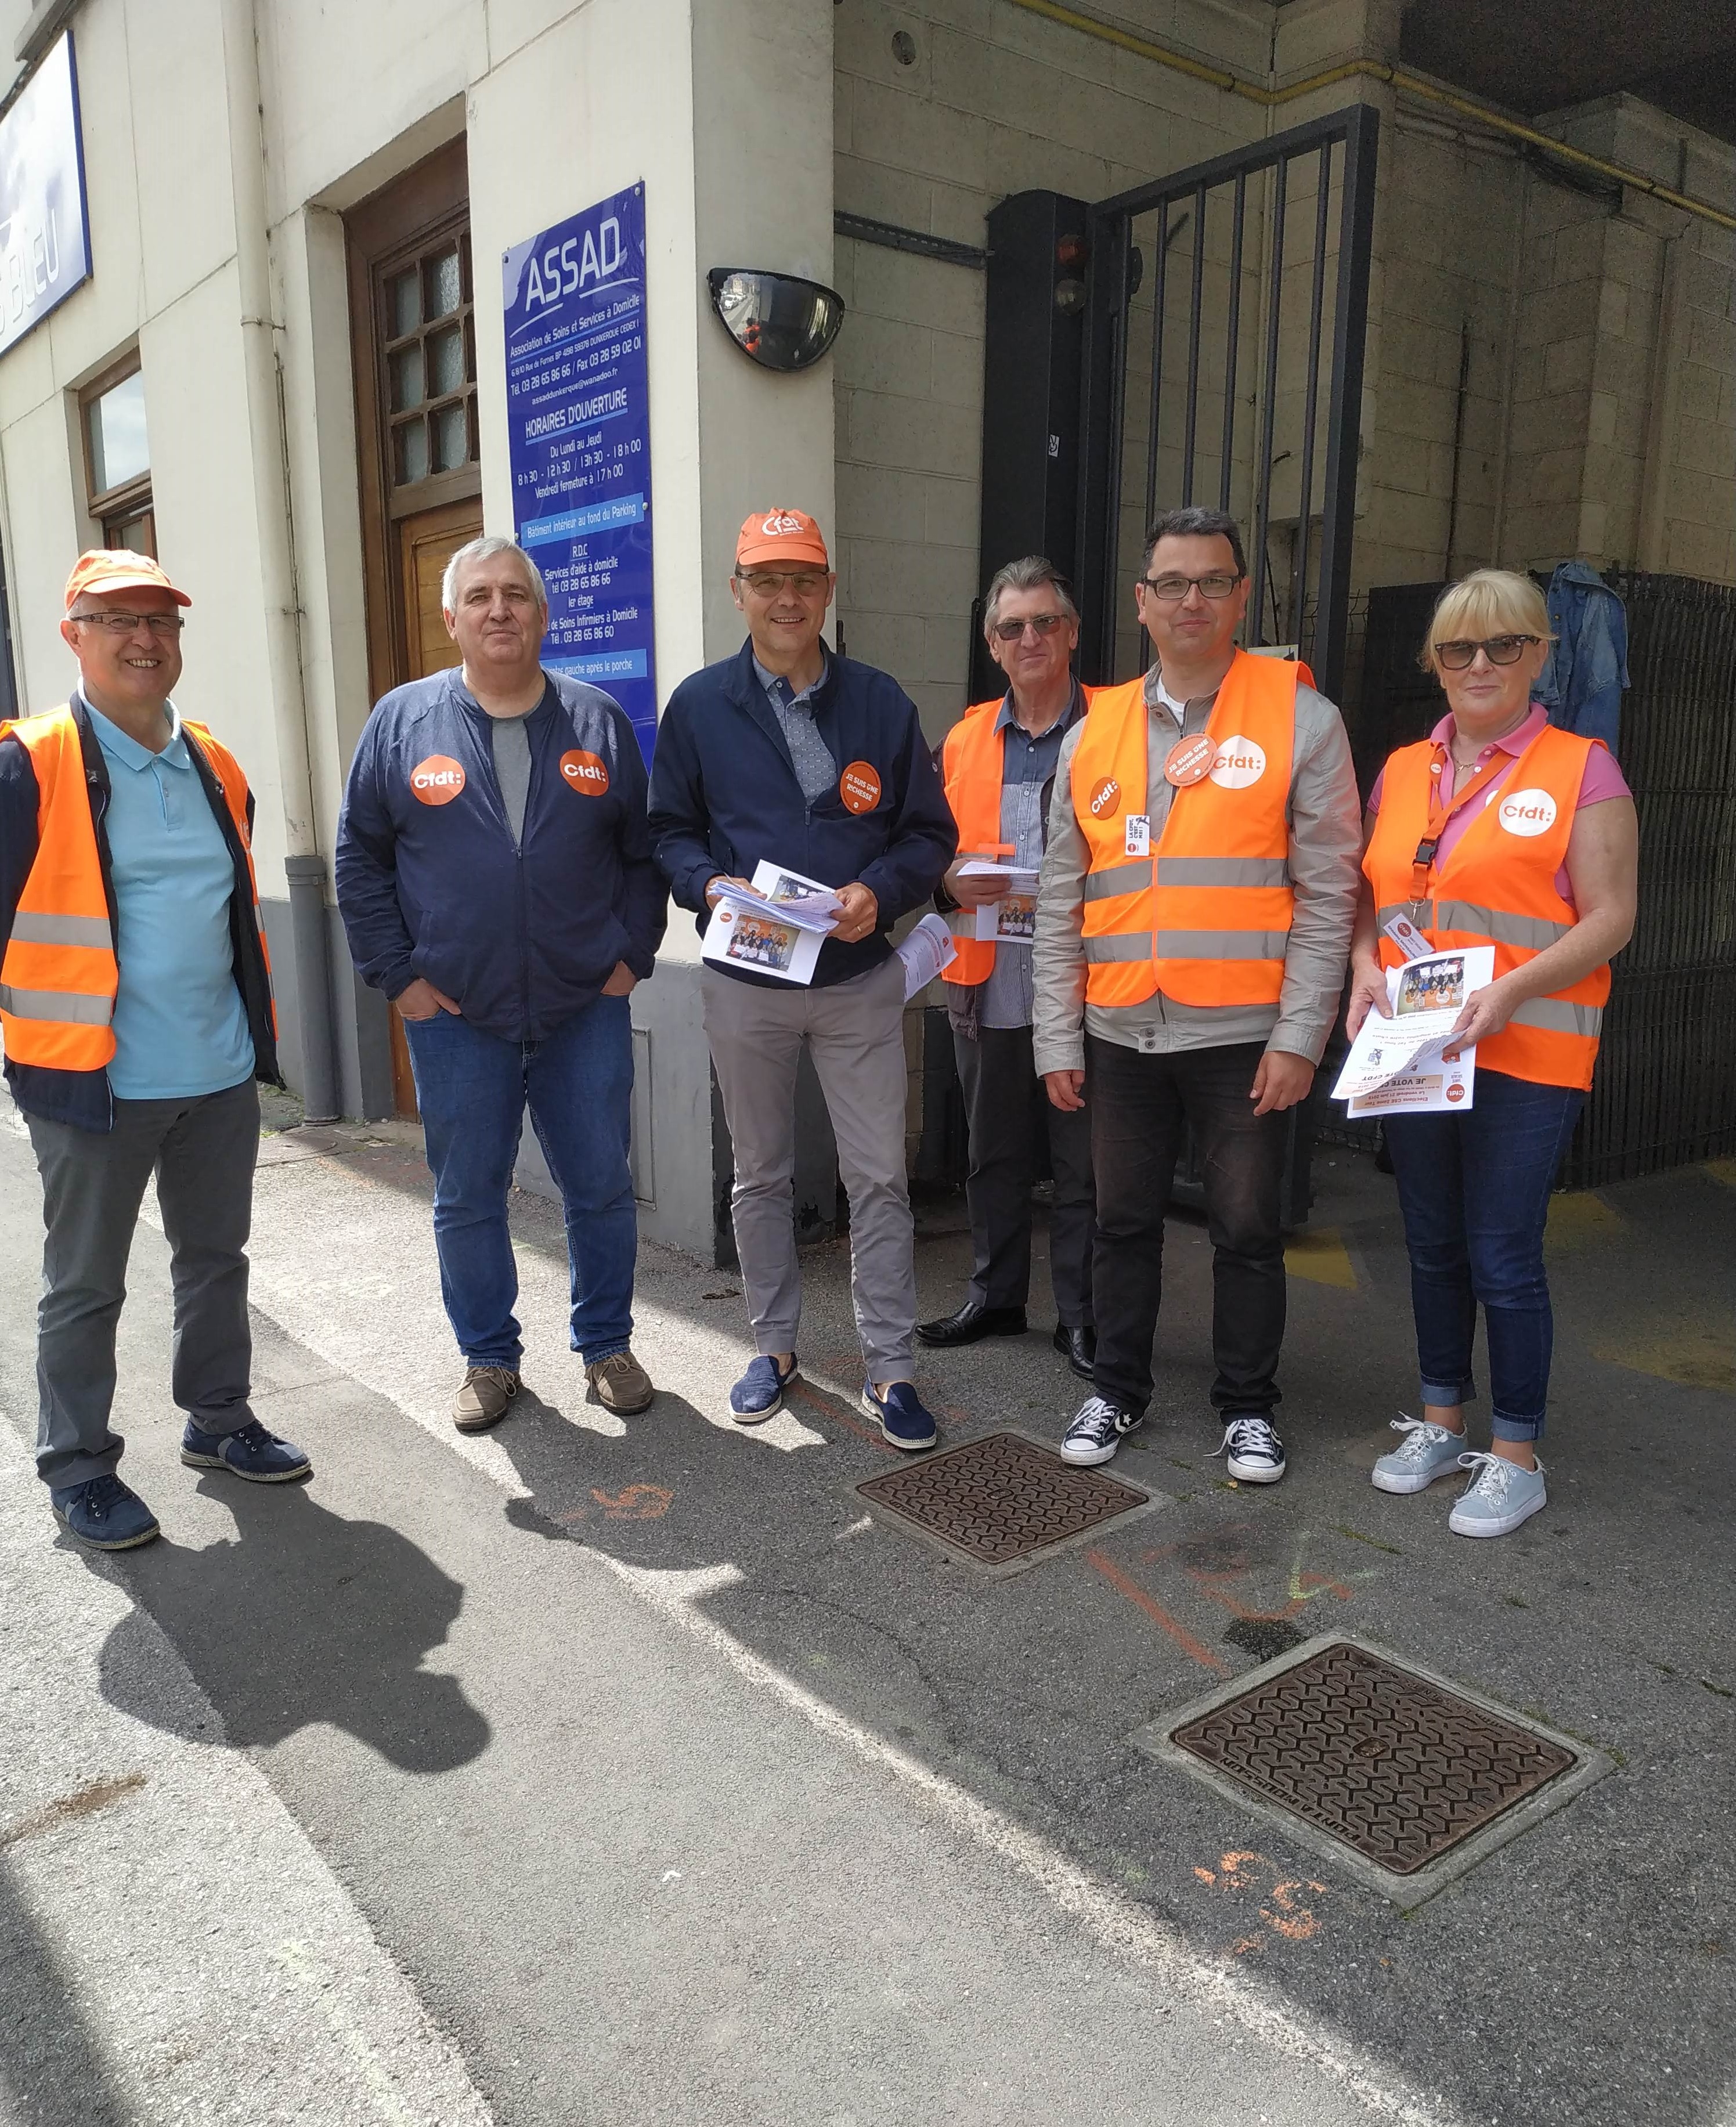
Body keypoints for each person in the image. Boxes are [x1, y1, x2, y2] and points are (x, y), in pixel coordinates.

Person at [1032, 506, 1361, 1477]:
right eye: (1172, 583)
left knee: (1249, 1231)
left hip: (1244, 1037)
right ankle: (1116, 1390)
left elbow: (1330, 892)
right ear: (1141, 602)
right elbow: (1061, 900)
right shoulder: (1094, 733)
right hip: (1120, 1030)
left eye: (1213, 581)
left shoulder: (1303, 720)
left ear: (1241, 596)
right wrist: (1057, 1038)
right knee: (1120, 1223)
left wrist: (1301, 1035)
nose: (1192, 600)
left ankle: (1248, 1406)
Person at [0, 551, 306, 1552]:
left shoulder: (213, 760)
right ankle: (78, 1466)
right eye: (118, 619)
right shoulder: (28, 765)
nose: (144, 638)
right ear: (73, 635)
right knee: (85, 1284)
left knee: (215, 1261)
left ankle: (218, 1419)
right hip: (91, 1080)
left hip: (215, 1072)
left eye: (161, 621)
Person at [335, 536, 666, 1432]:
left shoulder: (597, 720)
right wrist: (399, 977)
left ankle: (606, 1345)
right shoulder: (401, 721)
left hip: (581, 1009)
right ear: (451, 618)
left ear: (543, 614)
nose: (499, 609)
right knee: (467, 1196)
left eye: (515, 594)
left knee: (600, 1186)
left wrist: (630, 958)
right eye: (479, 596)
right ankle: (488, 1358)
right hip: (455, 1015)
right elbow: (359, 858)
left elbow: (642, 856)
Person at [648, 508, 957, 1447]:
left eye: (804, 579)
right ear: (737, 592)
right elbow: (668, 832)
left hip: (857, 976)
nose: (787, 597)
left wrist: (881, 892)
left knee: (879, 1177)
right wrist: (709, 884)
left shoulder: (879, 703)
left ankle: (890, 1367)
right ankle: (773, 1347)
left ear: (827, 590)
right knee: (761, 1174)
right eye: (767, 579)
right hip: (748, 980)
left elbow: (928, 833)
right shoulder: (700, 706)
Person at [1347, 568, 1637, 1537]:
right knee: (1432, 1244)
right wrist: (1362, 968)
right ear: (1434, 662)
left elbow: (1612, 916)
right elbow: (1372, 898)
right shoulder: (1401, 770)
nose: (1480, 663)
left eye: (1504, 644)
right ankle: (1440, 1422)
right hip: (1420, 1049)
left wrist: (1510, 989)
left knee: (1503, 1253)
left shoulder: (1581, 767)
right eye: (1459, 648)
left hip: (1527, 1050)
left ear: (1540, 655)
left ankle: (1516, 1455)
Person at [918, 557, 1098, 1380]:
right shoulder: (963, 739)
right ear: (992, 644)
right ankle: (996, 1296)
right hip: (987, 975)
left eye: (1045, 622)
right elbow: (922, 845)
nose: (1031, 638)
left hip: (1090, 983)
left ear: (1072, 632)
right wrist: (945, 880)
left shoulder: (1115, 728)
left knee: (1083, 1161)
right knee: (991, 1153)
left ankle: (1083, 1314)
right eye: (1012, 627)